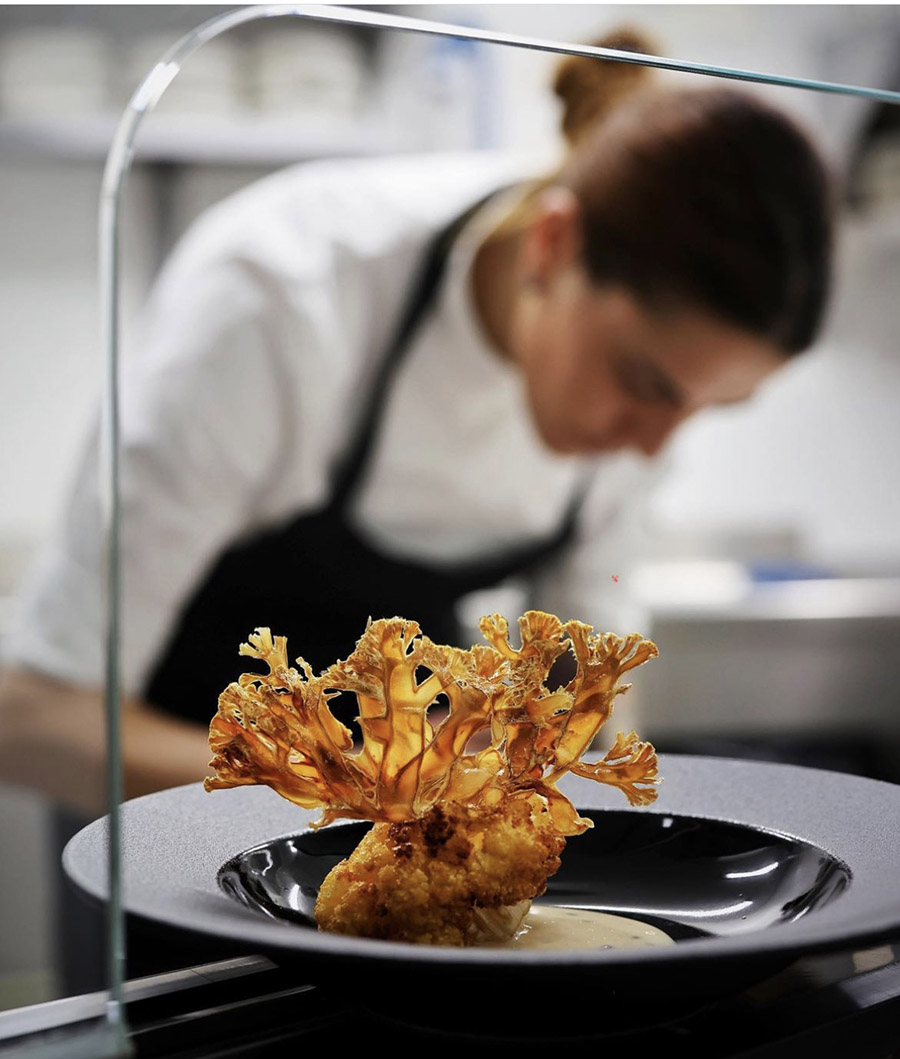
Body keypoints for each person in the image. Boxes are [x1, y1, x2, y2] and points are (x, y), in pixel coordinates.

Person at [0, 35, 833, 824]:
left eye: (701, 408)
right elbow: (33, 718)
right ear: (552, 245)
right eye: (646, 384)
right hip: (173, 840)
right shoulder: (282, 297)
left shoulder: (625, 410)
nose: (655, 445)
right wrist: (387, 796)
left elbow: (585, 708)